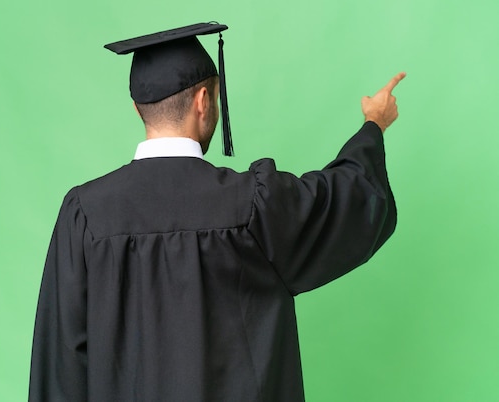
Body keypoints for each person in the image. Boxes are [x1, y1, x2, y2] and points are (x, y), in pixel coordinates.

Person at [28, 22, 405, 402]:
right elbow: (347, 198)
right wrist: (373, 125)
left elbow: (60, 364)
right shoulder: (255, 204)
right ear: (204, 101)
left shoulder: (85, 214)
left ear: (137, 108)